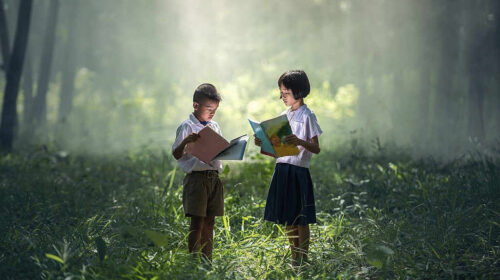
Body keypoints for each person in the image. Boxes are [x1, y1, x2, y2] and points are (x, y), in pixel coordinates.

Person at [254, 70, 322, 266]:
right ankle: (295, 258)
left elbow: (316, 148)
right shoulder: (284, 116)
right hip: (282, 169)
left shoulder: (308, 115)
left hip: (298, 170)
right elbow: (276, 148)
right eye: (281, 93)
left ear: (298, 91)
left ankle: (304, 258)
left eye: (285, 93)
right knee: (288, 217)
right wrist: (263, 142)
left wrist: (300, 141)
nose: (282, 97)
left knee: (302, 217)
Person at [172, 83, 224, 261]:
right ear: (196, 105)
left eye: (215, 109)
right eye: (209, 108)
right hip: (197, 179)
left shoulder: (214, 126)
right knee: (197, 222)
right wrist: (186, 141)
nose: (212, 113)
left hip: (213, 178)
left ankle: (207, 259)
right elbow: (176, 154)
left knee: (210, 221)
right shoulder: (186, 126)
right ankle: (194, 260)